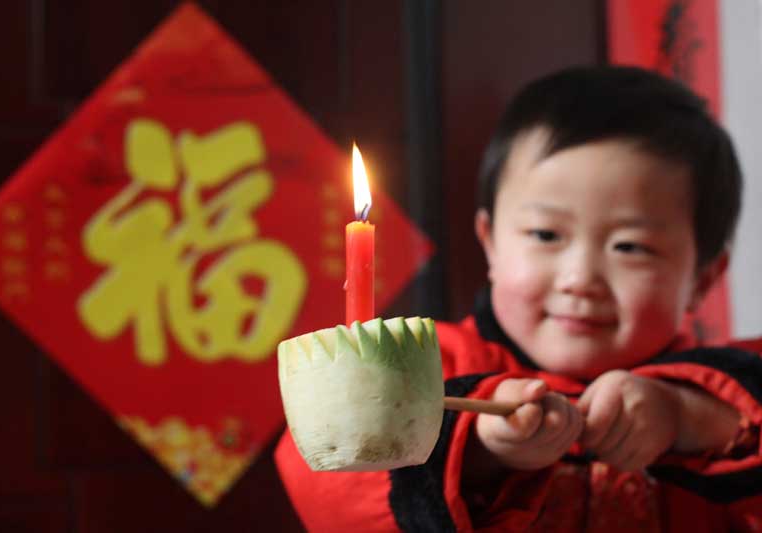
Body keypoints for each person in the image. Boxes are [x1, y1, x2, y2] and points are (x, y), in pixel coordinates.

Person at [275, 66, 762, 532]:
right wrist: (484, 450)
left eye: (629, 247)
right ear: (489, 241)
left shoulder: (731, 389)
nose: (579, 278)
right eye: (547, 234)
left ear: (703, 278)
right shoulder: (423, 365)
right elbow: (325, 487)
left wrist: (690, 418)